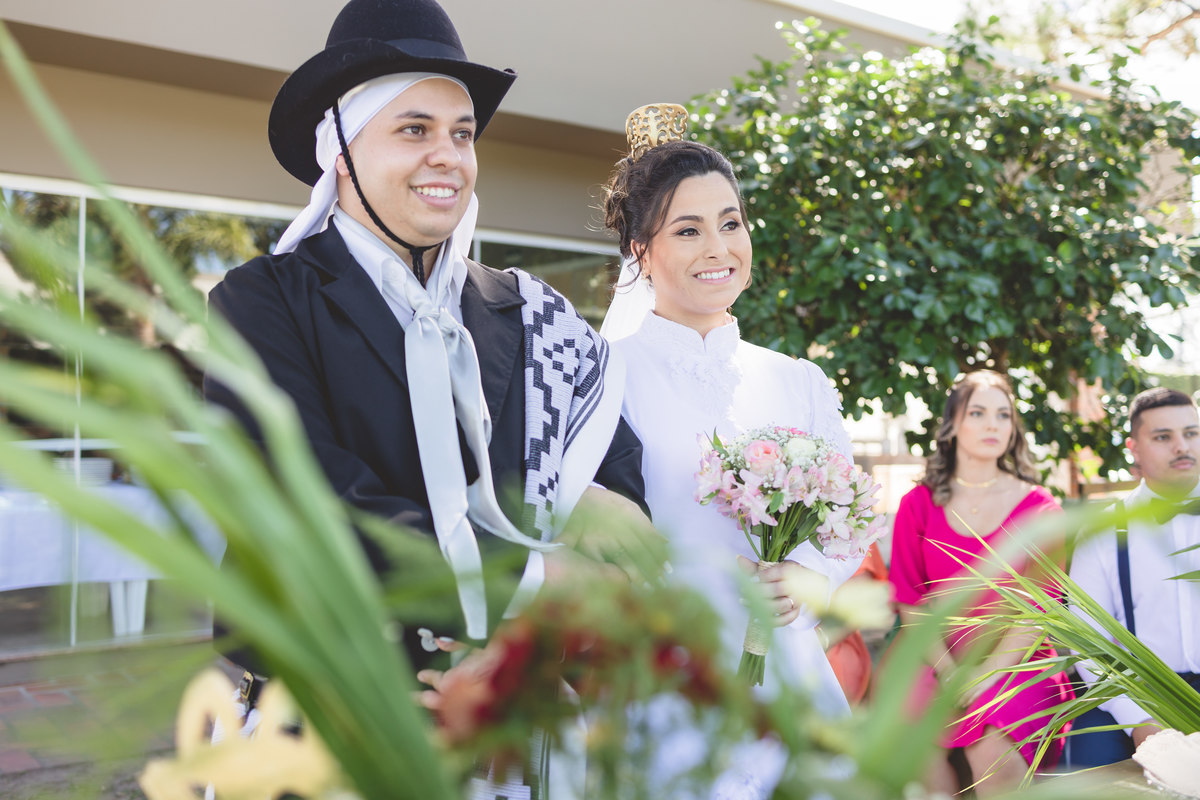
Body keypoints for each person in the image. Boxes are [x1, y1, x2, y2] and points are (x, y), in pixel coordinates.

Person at [203, 0, 653, 702]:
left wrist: (594, 508)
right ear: (341, 153)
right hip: (341, 709)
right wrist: (528, 584)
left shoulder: (529, 310)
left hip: (512, 705)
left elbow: (616, 462)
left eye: (462, 133)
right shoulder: (262, 301)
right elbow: (305, 496)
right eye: (414, 129)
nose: (448, 155)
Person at [600, 104, 861, 798]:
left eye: (731, 223)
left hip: (791, 682)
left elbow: (854, 518)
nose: (719, 248)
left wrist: (808, 575)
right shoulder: (601, 378)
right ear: (641, 251)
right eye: (688, 230)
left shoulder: (797, 379)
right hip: (664, 686)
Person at [887, 370, 1073, 796]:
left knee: (991, 759)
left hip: (1016, 658)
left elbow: (1038, 609)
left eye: (1003, 415)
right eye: (978, 412)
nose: (993, 424)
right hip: (932, 655)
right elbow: (912, 601)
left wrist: (986, 675)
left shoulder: (1040, 508)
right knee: (917, 759)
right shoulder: (917, 504)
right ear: (953, 424)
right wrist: (951, 672)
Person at [1067, 387, 1200, 765]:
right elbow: (1088, 641)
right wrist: (1138, 720)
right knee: (1089, 765)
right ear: (1134, 448)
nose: (1182, 446)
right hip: (1135, 689)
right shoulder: (1104, 530)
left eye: (1191, 433)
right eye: (1163, 437)